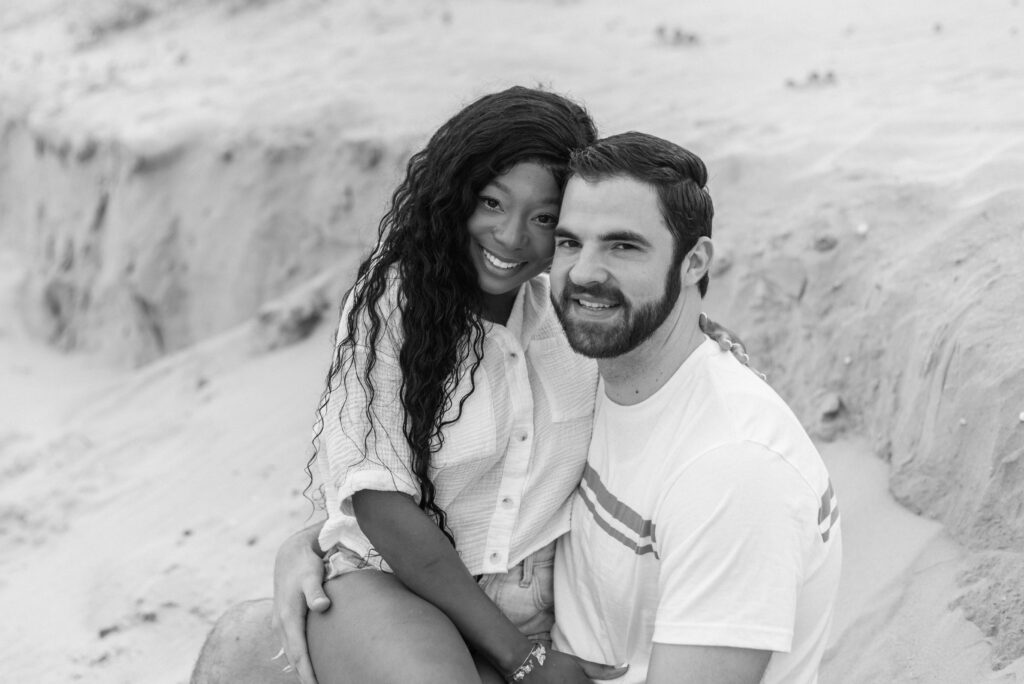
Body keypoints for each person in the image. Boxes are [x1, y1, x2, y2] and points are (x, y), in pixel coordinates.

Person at [541, 131, 842, 683]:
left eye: (622, 245)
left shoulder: (734, 470)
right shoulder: (589, 371)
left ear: (695, 261)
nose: (584, 272)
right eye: (569, 243)